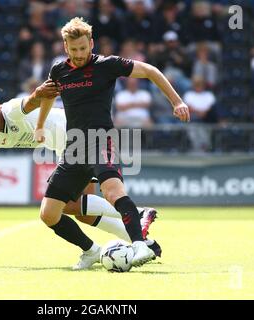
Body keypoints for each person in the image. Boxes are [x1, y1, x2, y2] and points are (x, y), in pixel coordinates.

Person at [35, 17, 189, 270]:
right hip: (74, 147)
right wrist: (40, 125)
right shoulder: (58, 71)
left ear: (91, 43)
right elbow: (47, 97)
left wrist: (177, 102)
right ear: (65, 47)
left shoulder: (107, 65)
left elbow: (151, 71)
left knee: (113, 192)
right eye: (74, 49)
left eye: (83, 48)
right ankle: (91, 251)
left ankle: (139, 244)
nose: (79, 53)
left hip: (100, 140)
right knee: (49, 213)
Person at [0, 83, 161, 259]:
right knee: (79, 211)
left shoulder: (12, 110)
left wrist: (42, 90)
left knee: (60, 209)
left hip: (78, 137)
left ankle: (134, 216)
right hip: (67, 146)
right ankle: (141, 239)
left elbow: (35, 98)